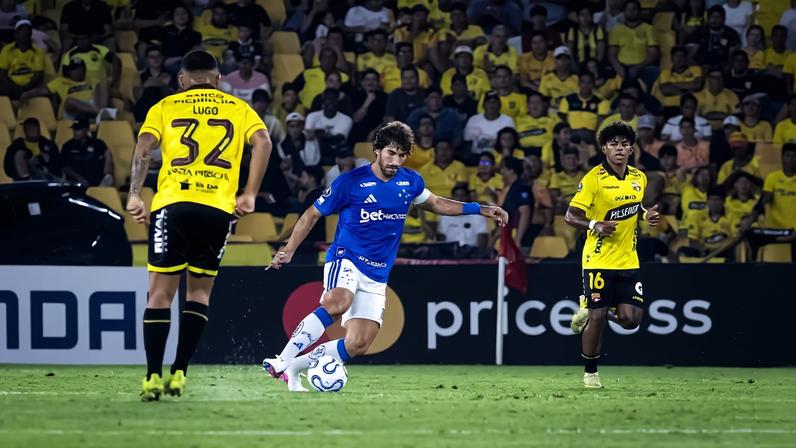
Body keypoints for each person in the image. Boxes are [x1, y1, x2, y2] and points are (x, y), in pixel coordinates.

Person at [262, 121, 507, 391]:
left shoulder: (410, 181)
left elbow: (436, 203)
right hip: (347, 257)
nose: (396, 160)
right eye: (391, 152)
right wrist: (289, 249)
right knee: (338, 301)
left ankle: (295, 367)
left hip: (377, 272)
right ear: (377, 150)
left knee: (358, 343)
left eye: (402, 155)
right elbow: (312, 214)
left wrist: (479, 208)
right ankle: (282, 360)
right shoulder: (350, 182)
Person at [125, 50, 272, 401]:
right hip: (217, 209)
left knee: (159, 294)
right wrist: (249, 194)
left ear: (182, 80)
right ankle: (179, 373)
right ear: (218, 79)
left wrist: (134, 194)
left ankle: (151, 377)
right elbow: (263, 141)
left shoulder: (165, 106)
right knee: (198, 294)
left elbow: (144, 146)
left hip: (171, 205)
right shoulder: (237, 108)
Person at [566, 121, 661, 389]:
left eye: (623, 144)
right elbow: (570, 215)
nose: (619, 148)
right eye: (613, 144)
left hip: (628, 260)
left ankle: (591, 305)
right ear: (604, 149)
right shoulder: (593, 179)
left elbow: (635, 206)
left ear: (631, 148)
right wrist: (594, 224)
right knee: (596, 319)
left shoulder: (638, 178)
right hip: (597, 259)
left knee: (631, 321)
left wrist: (646, 214)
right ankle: (591, 374)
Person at [607, 0, 659, 84]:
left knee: (655, 72)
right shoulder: (616, 29)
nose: (631, 12)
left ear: (639, 11)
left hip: (643, 67)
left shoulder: (649, 28)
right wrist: (620, 69)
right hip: (621, 66)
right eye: (628, 9)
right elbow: (612, 55)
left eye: (634, 9)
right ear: (623, 12)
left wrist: (638, 68)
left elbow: (653, 54)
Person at [437, 185, 490, 257]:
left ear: (468, 197)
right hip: (450, 255)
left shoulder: (477, 216)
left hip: (472, 255)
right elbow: (441, 240)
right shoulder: (444, 217)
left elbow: (482, 239)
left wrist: (479, 257)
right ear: (452, 198)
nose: (459, 198)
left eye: (463, 195)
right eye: (456, 195)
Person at [60, 117, 113, 186]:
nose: (75, 132)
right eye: (74, 129)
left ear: (86, 129)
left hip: (95, 181)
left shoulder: (96, 142)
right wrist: (79, 178)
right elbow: (64, 167)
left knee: (109, 178)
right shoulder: (67, 146)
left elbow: (107, 151)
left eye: (78, 129)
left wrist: (108, 164)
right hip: (75, 182)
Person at [0, 20, 44, 100]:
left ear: (30, 34)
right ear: (15, 34)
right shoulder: (6, 49)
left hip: (30, 86)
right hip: (10, 86)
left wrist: (25, 88)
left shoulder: (38, 51)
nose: (25, 33)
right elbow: (2, 74)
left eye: (27, 31)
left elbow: (38, 74)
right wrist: (16, 89)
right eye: (21, 30)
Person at [463, 91, 515, 156]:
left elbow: (510, 143)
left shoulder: (507, 120)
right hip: (477, 157)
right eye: (488, 102)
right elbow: (466, 141)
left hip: (499, 157)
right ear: (483, 105)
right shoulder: (473, 120)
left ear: (499, 105)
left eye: (494, 102)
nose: (491, 105)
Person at [350, 68, 388, 144]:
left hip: (379, 134)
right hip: (358, 136)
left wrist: (375, 131)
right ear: (362, 82)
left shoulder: (385, 97)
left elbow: (387, 119)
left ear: (378, 83)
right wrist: (368, 102)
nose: (371, 82)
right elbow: (355, 119)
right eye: (368, 79)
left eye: (374, 80)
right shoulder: (355, 96)